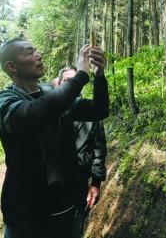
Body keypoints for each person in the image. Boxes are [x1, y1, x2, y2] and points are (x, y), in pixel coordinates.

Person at [0, 38, 109, 238]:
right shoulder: (3, 101)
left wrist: (99, 76)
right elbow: (34, 114)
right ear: (12, 66)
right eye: (29, 52)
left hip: (67, 209)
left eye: (36, 50)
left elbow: (99, 110)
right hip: (26, 218)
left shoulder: (53, 93)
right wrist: (80, 75)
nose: (38, 55)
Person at [57, 67, 107, 237]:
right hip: (53, 186)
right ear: (59, 84)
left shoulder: (90, 110)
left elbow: (99, 149)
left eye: (75, 80)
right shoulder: (51, 109)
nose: (72, 84)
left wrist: (96, 182)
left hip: (79, 184)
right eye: (67, 81)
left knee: (76, 227)